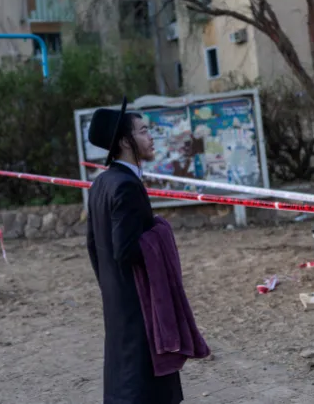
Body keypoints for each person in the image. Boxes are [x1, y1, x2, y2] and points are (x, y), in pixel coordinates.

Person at [86, 97, 184, 404]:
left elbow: (92, 246)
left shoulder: (102, 183)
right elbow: (125, 250)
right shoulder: (126, 185)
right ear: (124, 141)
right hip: (138, 300)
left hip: (118, 297)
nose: (150, 136)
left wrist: (109, 285)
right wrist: (160, 232)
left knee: (124, 376)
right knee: (143, 385)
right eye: (142, 131)